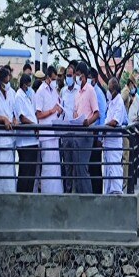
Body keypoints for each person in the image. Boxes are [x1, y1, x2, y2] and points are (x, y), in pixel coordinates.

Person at [34, 68, 63, 194]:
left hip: (55, 133)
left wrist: (60, 110)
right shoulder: (40, 92)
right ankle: (47, 193)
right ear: (48, 78)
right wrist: (52, 110)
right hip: (46, 135)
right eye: (53, 79)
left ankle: (56, 193)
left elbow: (58, 104)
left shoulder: (54, 91)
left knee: (56, 167)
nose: (55, 82)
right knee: (48, 167)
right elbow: (38, 114)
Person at [73, 62, 99, 194]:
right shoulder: (77, 93)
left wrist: (88, 122)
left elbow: (96, 113)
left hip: (86, 133)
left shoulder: (90, 90)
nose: (76, 78)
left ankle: (88, 196)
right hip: (77, 132)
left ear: (82, 75)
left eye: (77, 75)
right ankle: (79, 194)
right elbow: (76, 111)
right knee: (77, 168)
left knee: (83, 167)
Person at [14, 73, 39, 193]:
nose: (30, 89)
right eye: (28, 86)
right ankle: (22, 195)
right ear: (24, 85)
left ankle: (28, 194)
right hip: (25, 142)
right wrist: (34, 125)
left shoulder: (27, 97)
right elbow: (22, 117)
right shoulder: (18, 96)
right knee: (25, 172)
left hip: (33, 140)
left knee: (31, 173)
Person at [104, 77, 127, 194]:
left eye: (109, 89)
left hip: (114, 142)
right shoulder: (111, 103)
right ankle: (109, 193)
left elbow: (115, 121)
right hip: (107, 142)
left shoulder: (119, 102)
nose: (107, 91)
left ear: (113, 90)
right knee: (108, 170)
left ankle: (117, 193)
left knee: (115, 168)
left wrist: (104, 126)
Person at [59, 64, 79, 192]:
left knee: (77, 164)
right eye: (67, 76)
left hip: (77, 132)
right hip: (65, 131)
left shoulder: (79, 90)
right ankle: (67, 190)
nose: (68, 78)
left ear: (75, 76)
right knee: (67, 164)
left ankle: (76, 192)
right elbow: (61, 109)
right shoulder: (63, 91)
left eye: (70, 75)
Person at [89, 68, 106, 193]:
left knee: (95, 166)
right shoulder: (92, 92)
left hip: (96, 134)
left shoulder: (98, 93)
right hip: (92, 134)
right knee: (91, 166)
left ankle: (97, 192)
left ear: (94, 79)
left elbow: (102, 116)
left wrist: (99, 137)